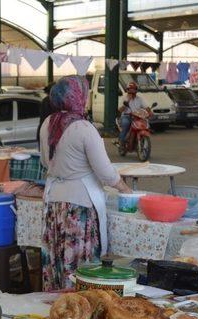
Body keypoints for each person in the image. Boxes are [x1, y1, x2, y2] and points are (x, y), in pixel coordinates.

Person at [40, 76, 132, 290]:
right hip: (78, 206)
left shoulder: (48, 124)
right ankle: (78, 310)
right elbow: (106, 173)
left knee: (58, 260)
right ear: (77, 97)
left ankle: (56, 306)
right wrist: (125, 189)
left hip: (54, 203)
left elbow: (46, 161)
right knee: (79, 268)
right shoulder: (84, 128)